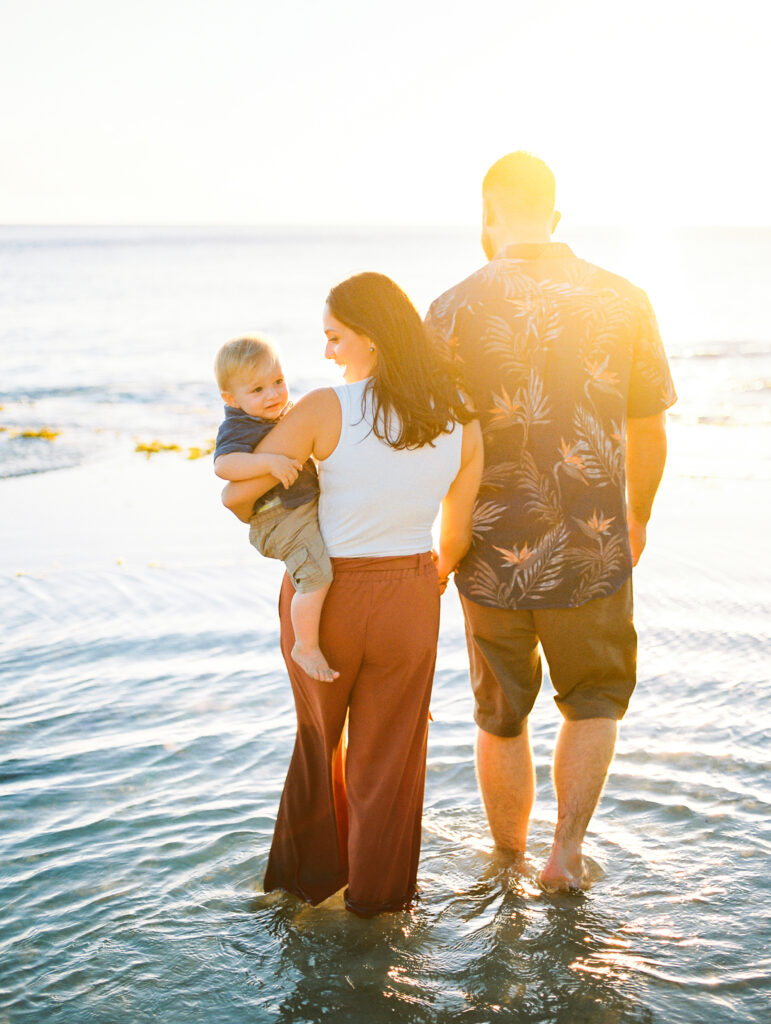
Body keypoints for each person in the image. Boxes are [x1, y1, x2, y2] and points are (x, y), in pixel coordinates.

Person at [425, 151, 677, 892]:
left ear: (486, 216)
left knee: (499, 712)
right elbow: (650, 428)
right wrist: (637, 517)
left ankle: (505, 866)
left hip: (484, 547)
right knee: (594, 697)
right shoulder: (624, 298)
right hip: (592, 539)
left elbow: (428, 441)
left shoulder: (449, 309)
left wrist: (442, 539)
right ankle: (563, 856)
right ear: (556, 216)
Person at [221, 272, 483, 916]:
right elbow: (457, 537)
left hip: (326, 594)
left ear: (367, 337)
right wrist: (421, 583)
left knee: (320, 744)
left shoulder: (321, 408)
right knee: (390, 762)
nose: (329, 353)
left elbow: (235, 496)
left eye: (335, 338)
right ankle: (381, 904)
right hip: (411, 596)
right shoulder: (461, 420)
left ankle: (306, 894)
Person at [213, 335, 337, 682]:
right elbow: (224, 466)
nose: (273, 395)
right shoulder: (239, 426)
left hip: (294, 512)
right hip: (276, 518)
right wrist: (268, 462)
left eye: (278, 382)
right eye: (258, 390)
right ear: (230, 399)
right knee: (316, 575)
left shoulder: (281, 415)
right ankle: (306, 646)